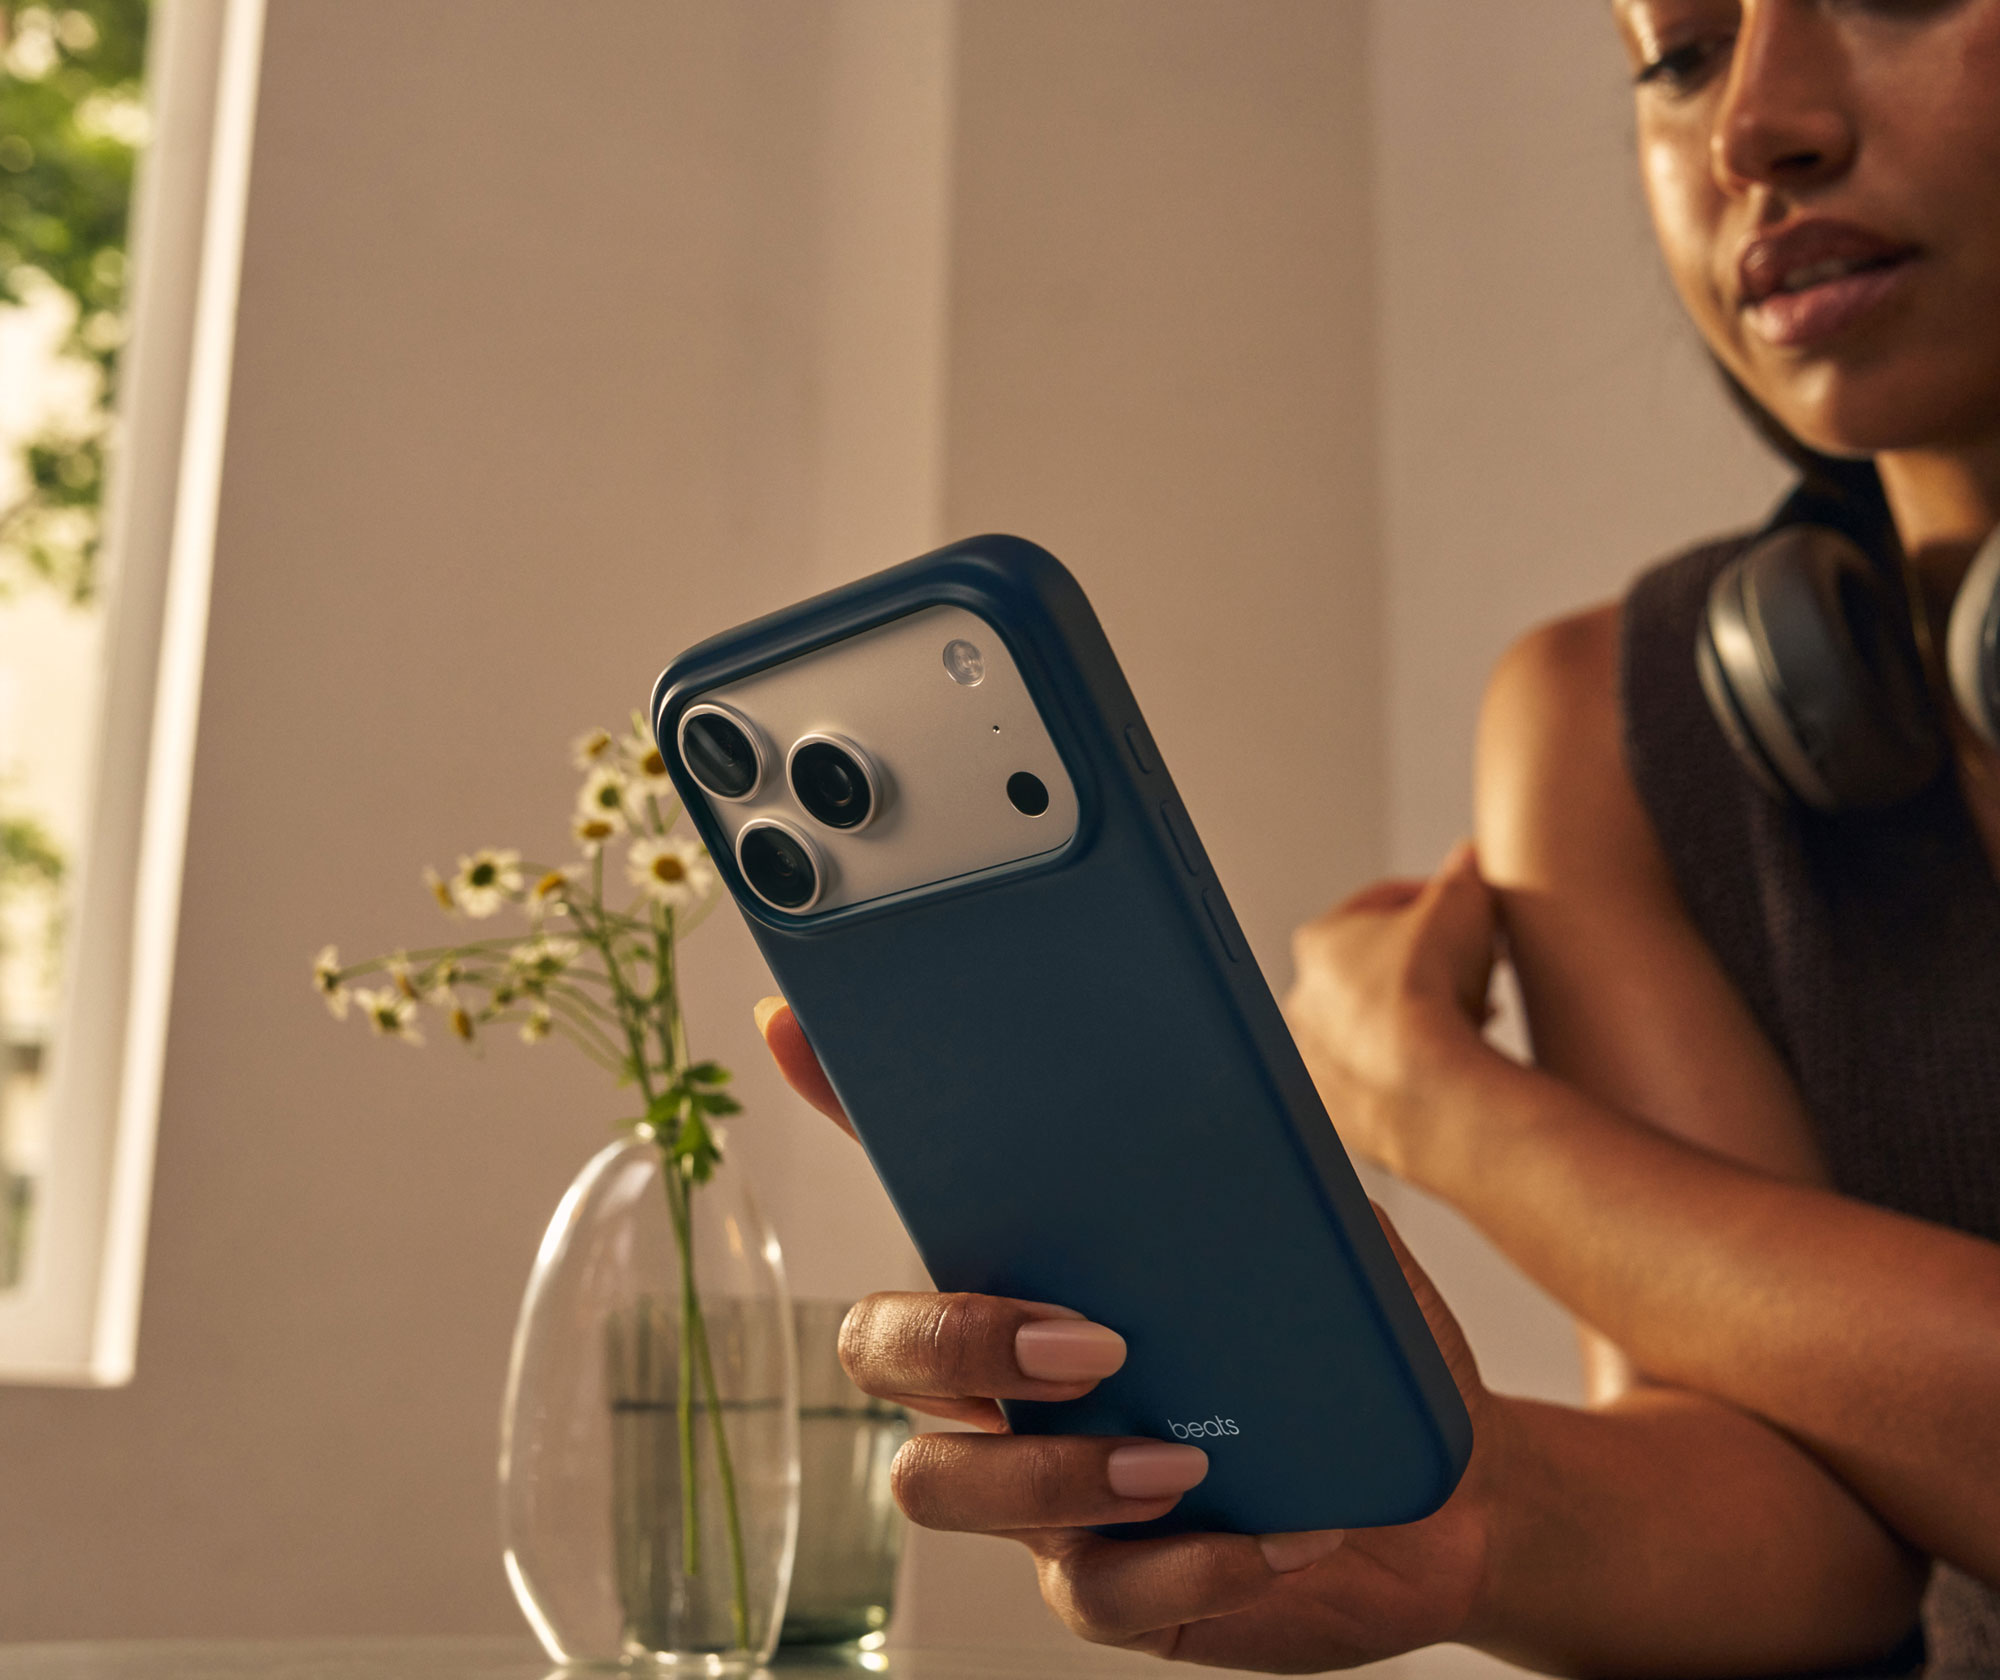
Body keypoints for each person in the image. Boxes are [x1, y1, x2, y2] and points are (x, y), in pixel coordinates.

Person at [756, 0, 2000, 1670]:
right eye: (1679, 51)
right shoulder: (1626, 720)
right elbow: (1813, 1544)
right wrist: (1475, 1520)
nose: (1750, 127)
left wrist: (1438, 1100)